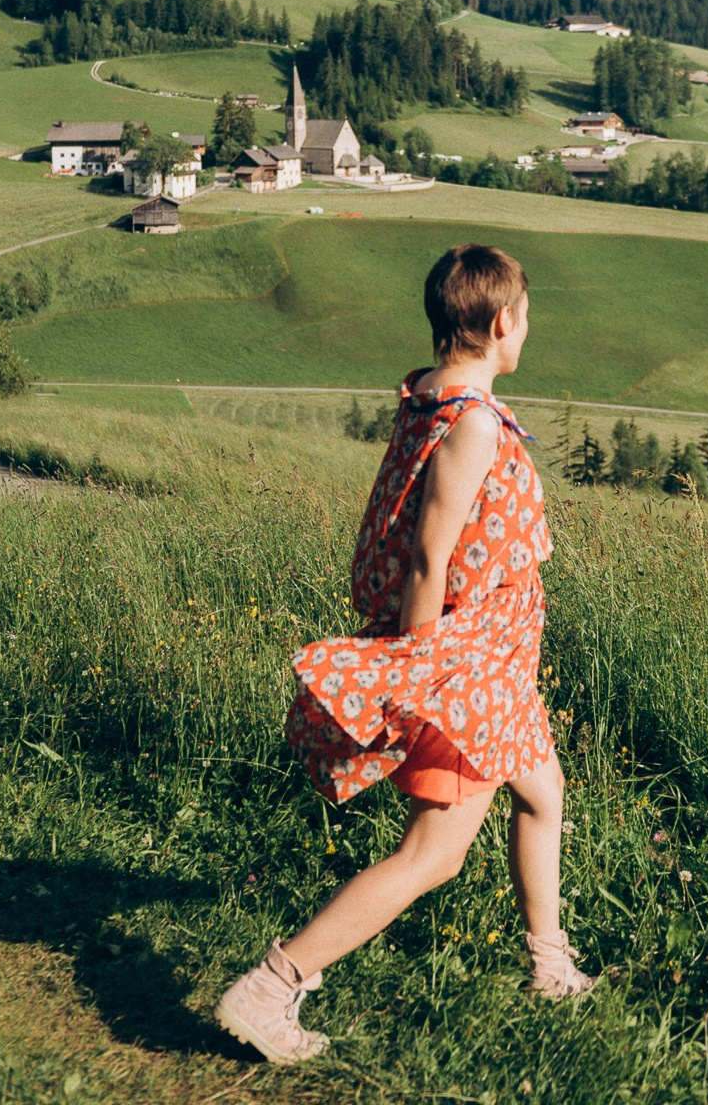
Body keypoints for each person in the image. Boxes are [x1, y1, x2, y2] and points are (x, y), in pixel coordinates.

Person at [215, 243, 595, 1065]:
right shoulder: (473, 424)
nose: (528, 328)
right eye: (527, 316)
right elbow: (429, 557)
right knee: (433, 855)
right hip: (464, 668)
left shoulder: (430, 395)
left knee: (543, 792)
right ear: (504, 323)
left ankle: (550, 965)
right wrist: (422, 677)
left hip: (498, 670)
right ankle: (272, 987)